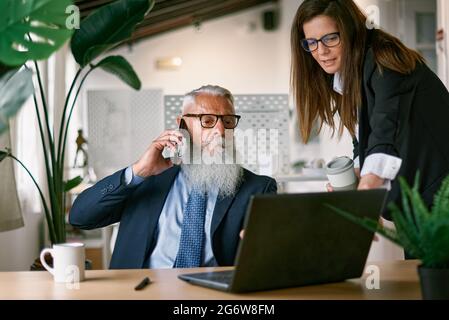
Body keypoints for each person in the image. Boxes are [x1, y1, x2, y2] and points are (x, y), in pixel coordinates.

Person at [69, 85, 277, 269]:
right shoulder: (146, 178)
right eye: (207, 120)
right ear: (182, 124)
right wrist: (138, 171)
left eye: (228, 121)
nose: (220, 131)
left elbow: (270, 256)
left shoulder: (257, 188)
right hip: (140, 292)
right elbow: (80, 217)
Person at [291, 0, 449, 219]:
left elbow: (386, 129)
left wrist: (365, 195)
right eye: (311, 42)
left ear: (351, 31)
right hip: (417, 203)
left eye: (331, 38)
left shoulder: (384, 58)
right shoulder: (347, 77)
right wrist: (354, 178)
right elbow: (365, 136)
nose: (321, 51)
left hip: (441, 195)